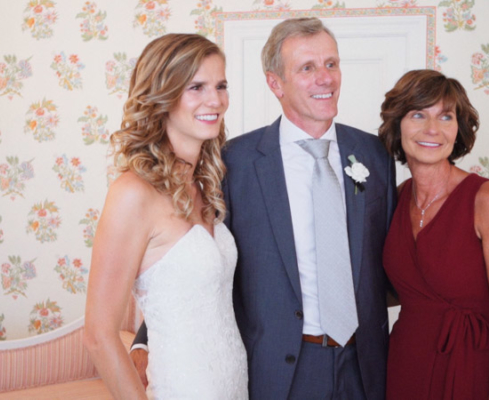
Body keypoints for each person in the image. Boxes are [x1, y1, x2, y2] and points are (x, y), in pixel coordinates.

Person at [132, 18, 396, 399]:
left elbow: (392, 260)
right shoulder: (233, 163)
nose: (326, 78)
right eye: (307, 68)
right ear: (275, 83)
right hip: (280, 370)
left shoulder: (375, 154)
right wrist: (145, 339)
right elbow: (197, 253)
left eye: (331, 64)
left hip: (366, 367)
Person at [84, 33, 248, 400]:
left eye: (221, 86)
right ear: (163, 96)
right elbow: (99, 333)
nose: (215, 100)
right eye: (197, 87)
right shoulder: (133, 193)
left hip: (235, 386)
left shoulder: (208, 185)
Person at [378, 69, 489, 400]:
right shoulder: (395, 199)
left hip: (473, 366)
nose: (432, 129)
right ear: (398, 125)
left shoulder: (483, 200)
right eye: (418, 114)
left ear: (458, 129)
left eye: (445, 116)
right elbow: (395, 290)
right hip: (405, 363)